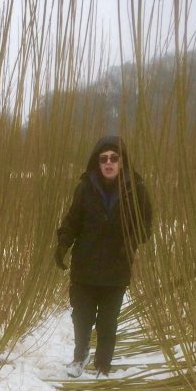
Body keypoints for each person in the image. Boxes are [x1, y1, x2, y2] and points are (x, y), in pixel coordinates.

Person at [55, 136, 153, 377]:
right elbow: (72, 220)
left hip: (117, 268)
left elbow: (146, 227)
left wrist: (131, 240)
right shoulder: (86, 187)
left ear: (122, 161)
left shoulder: (136, 189)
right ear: (97, 162)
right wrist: (62, 245)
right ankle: (80, 357)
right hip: (85, 266)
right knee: (82, 316)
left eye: (114, 158)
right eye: (103, 159)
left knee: (108, 321)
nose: (108, 163)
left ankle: (103, 365)